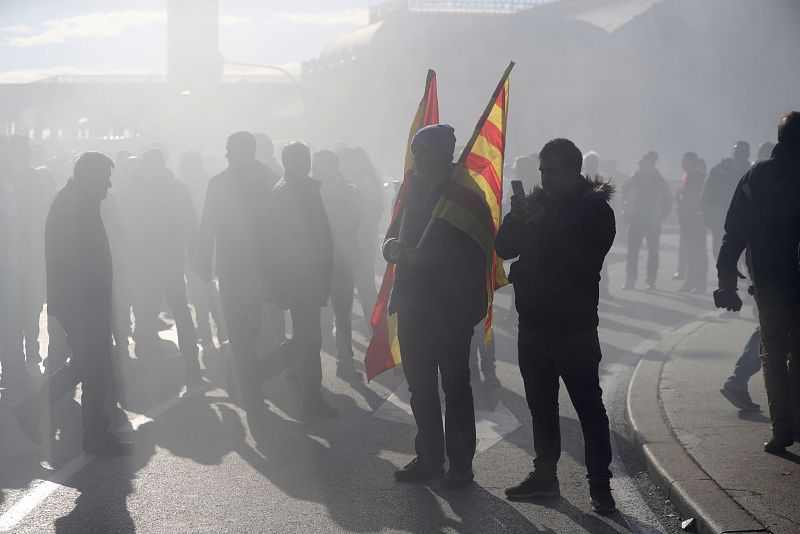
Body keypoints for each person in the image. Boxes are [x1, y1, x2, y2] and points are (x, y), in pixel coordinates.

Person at [496, 138, 616, 514]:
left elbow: (585, 257)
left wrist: (548, 225)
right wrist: (516, 218)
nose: (545, 178)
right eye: (542, 171)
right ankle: (545, 476)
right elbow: (503, 248)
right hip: (532, 323)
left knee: (588, 408)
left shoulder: (594, 210)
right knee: (541, 406)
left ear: (573, 171)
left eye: (553, 171)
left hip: (574, 327)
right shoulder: (537, 205)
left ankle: (599, 484)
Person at [384, 124, 487, 489]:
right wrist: (394, 247)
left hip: (450, 309)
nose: (416, 160)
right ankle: (429, 458)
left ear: (444, 154)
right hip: (412, 305)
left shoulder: (465, 193)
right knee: (421, 388)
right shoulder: (412, 187)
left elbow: (477, 250)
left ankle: (461, 465)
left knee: (456, 388)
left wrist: (432, 258)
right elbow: (391, 233)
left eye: (423, 153)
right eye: (415, 153)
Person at [12, 152, 133, 455]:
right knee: (96, 367)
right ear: (89, 176)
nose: (108, 184)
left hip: (83, 301)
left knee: (88, 365)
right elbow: (72, 261)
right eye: (104, 177)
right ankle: (93, 436)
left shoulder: (77, 201)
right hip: (82, 303)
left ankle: (32, 409)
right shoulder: (73, 206)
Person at [715, 112, 800, 454]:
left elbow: (733, 230)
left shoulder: (756, 176)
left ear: (779, 139)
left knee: (774, 353)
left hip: (769, 282)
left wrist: (726, 281)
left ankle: (782, 430)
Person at [196, 131, 278, 406]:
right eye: (227, 149)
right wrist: (204, 261)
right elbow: (207, 225)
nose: (227, 154)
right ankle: (246, 383)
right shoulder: (219, 182)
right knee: (238, 326)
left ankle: (242, 379)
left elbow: (281, 221)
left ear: (247, 151)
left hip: (258, 265)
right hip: (232, 265)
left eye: (231, 149)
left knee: (251, 327)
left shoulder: (265, 178)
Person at [263, 142, 339, 418]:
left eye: (305, 157)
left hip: (310, 276)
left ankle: (257, 374)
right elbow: (277, 244)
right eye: (296, 158)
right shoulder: (286, 192)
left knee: (307, 339)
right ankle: (258, 374)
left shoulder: (305, 189)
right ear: (285, 162)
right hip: (300, 279)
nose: (303, 162)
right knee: (308, 340)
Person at [128, 148, 203, 385]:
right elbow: (190, 224)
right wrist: (194, 254)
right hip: (170, 259)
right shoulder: (176, 188)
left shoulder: (136, 190)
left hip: (145, 260)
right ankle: (191, 364)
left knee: (146, 311)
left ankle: (145, 361)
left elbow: (128, 226)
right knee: (179, 310)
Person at [719, 142, 775, 410]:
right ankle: (738, 380)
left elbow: (735, 231)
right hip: (776, 272)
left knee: (768, 328)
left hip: (763, 270)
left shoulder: (754, 178)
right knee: (770, 330)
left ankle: (738, 381)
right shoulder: (766, 179)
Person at [8, 136, 56, 375]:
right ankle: (22, 350)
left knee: (28, 303)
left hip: (28, 249)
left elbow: (43, 213)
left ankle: (28, 348)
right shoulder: (14, 178)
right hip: (17, 250)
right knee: (22, 303)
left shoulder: (33, 178)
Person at [315, 149, 363, 378]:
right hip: (317, 262)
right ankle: (314, 363)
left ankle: (346, 359)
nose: (315, 168)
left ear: (332, 166)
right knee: (318, 315)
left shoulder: (350, 191)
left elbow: (352, 220)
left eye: (319, 164)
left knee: (342, 313)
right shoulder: (311, 190)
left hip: (342, 261)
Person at [179, 151, 228, 351]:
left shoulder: (192, 187)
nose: (181, 169)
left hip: (196, 244)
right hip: (205, 243)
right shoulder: (206, 181)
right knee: (206, 287)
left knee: (199, 288)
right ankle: (221, 328)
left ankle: (207, 329)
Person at [338, 146, 382, 324]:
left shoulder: (363, 183)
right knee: (349, 293)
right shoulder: (339, 183)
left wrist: (363, 226)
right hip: (346, 246)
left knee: (365, 291)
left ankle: (375, 331)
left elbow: (375, 210)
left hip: (360, 244)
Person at [621, 151, 672, 290]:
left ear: (652, 164)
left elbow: (669, 201)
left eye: (645, 163)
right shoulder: (633, 178)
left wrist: (661, 216)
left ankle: (651, 280)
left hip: (653, 222)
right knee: (632, 251)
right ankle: (630, 281)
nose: (643, 165)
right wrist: (626, 211)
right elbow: (622, 193)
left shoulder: (660, 182)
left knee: (653, 252)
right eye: (642, 163)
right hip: (636, 219)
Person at [701, 141, 751, 258]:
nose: (740, 156)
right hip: (721, 219)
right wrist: (707, 216)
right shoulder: (718, 172)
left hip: (744, 221)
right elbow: (707, 196)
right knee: (720, 252)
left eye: (743, 153)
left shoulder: (752, 173)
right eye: (738, 152)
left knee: (744, 257)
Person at [675, 152, 708, 293]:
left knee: (698, 252)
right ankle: (690, 281)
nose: (683, 163)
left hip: (697, 219)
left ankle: (700, 284)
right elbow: (680, 195)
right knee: (689, 252)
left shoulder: (699, 176)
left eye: (685, 161)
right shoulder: (685, 176)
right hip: (686, 219)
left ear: (693, 162)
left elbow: (703, 197)